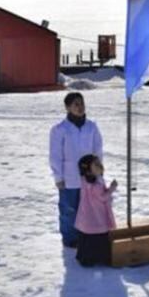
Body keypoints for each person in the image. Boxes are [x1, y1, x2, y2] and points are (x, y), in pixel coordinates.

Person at [49, 92, 104, 248]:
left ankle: (85, 234)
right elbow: (55, 155)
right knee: (69, 209)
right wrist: (58, 177)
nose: (80, 107)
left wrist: (98, 171)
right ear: (67, 107)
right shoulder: (60, 129)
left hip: (88, 177)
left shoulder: (91, 127)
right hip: (69, 177)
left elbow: (97, 150)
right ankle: (70, 238)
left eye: (82, 103)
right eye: (76, 104)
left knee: (87, 208)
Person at [74, 154, 118, 267]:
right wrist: (112, 188)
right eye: (96, 165)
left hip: (86, 217)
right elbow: (103, 197)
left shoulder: (85, 180)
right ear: (88, 171)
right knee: (98, 237)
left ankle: (85, 257)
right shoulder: (95, 184)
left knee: (87, 238)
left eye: (99, 163)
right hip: (96, 216)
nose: (100, 166)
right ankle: (99, 258)